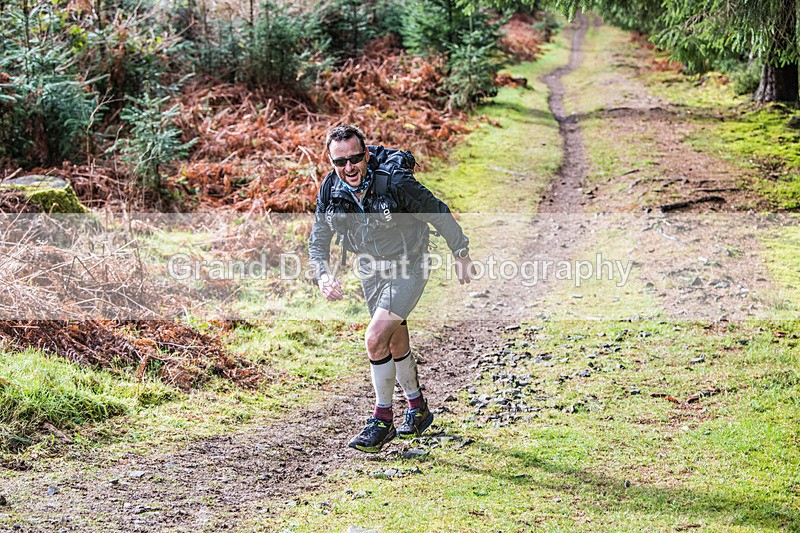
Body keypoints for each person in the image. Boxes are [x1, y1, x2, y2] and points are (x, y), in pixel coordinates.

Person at [308, 124, 473, 453]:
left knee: (374, 338)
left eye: (355, 159)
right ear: (331, 162)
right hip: (370, 270)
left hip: (410, 265)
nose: (349, 168)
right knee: (393, 338)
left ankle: (382, 421)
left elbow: (437, 212)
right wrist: (322, 274)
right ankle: (418, 408)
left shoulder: (394, 183)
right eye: (340, 162)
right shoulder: (331, 190)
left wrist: (461, 252)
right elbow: (318, 239)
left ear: (366, 155)